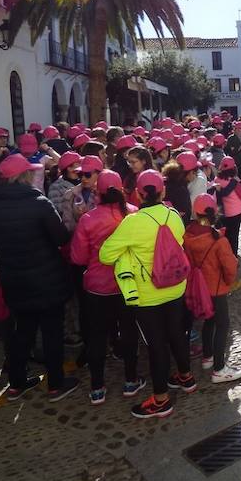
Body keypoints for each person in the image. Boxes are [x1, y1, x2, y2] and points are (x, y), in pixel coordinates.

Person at [0, 155, 79, 403]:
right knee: (51, 332)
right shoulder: (39, 203)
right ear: (23, 176)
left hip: (14, 277)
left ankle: (16, 382)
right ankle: (56, 383)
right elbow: (60, 238)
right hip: (46, 277)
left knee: (22, 331)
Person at [99, 170, 196, 419]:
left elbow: (106, 255)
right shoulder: (173, 216)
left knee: (156, 346)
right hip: (176, 286)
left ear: (139, 194)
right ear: (162, 191)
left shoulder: (132, 222)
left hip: (147, 294)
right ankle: (186, 377)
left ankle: (161, 400)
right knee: (177, 334)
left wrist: (131, 253)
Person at [70, 170, 143, 405]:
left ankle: (97, 387)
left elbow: (78, 257)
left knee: (97, 336)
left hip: (97, 288)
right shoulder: (132, 214)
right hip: (128, 285)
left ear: (97, 192)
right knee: (129, 332)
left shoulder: (88, 219)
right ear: (121, 189)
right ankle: (131, 381)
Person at [183, 194, 241, 383]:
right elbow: (230, 267)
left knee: (209, 321)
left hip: (198, 288)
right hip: (216, 288)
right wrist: (228, 282)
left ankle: (207, 357)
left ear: (195, 211)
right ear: (214, 212)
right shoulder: (218, 239)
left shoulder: (187, 234)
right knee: (222, 324)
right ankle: (219, 368)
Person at [211, 156, 241, 256]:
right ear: (234, 168)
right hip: (236, 212)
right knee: (234, 235)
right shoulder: (235, 181)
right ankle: (233, 256)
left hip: (223, 213)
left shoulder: (216, 179)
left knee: (225, 234)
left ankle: (224, 255)